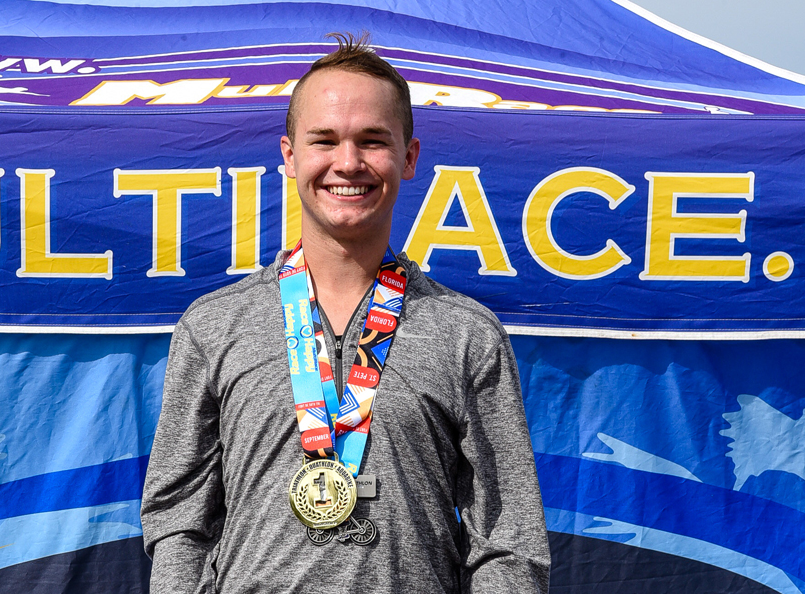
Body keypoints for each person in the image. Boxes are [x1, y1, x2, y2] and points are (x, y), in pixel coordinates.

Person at [141, 32, 550, 593]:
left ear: (408, 158)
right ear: (290, 156)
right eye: (324, 140)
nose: (348, 163)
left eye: (372, 141)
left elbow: (508, 537)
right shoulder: (214, 326)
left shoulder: (465, 334)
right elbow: (178, 515)